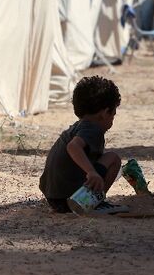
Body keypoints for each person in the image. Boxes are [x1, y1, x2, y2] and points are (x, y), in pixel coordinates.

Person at [39, 76, 127, 214]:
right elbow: (73, 147)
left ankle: (86, 201)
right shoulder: (92, 129)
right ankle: (94, 203)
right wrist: (91, 172)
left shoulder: (77, 127)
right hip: (72, 198)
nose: (112, 120)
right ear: (104, 113)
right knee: (113, 159)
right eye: (113, 115)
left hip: (54, 198)